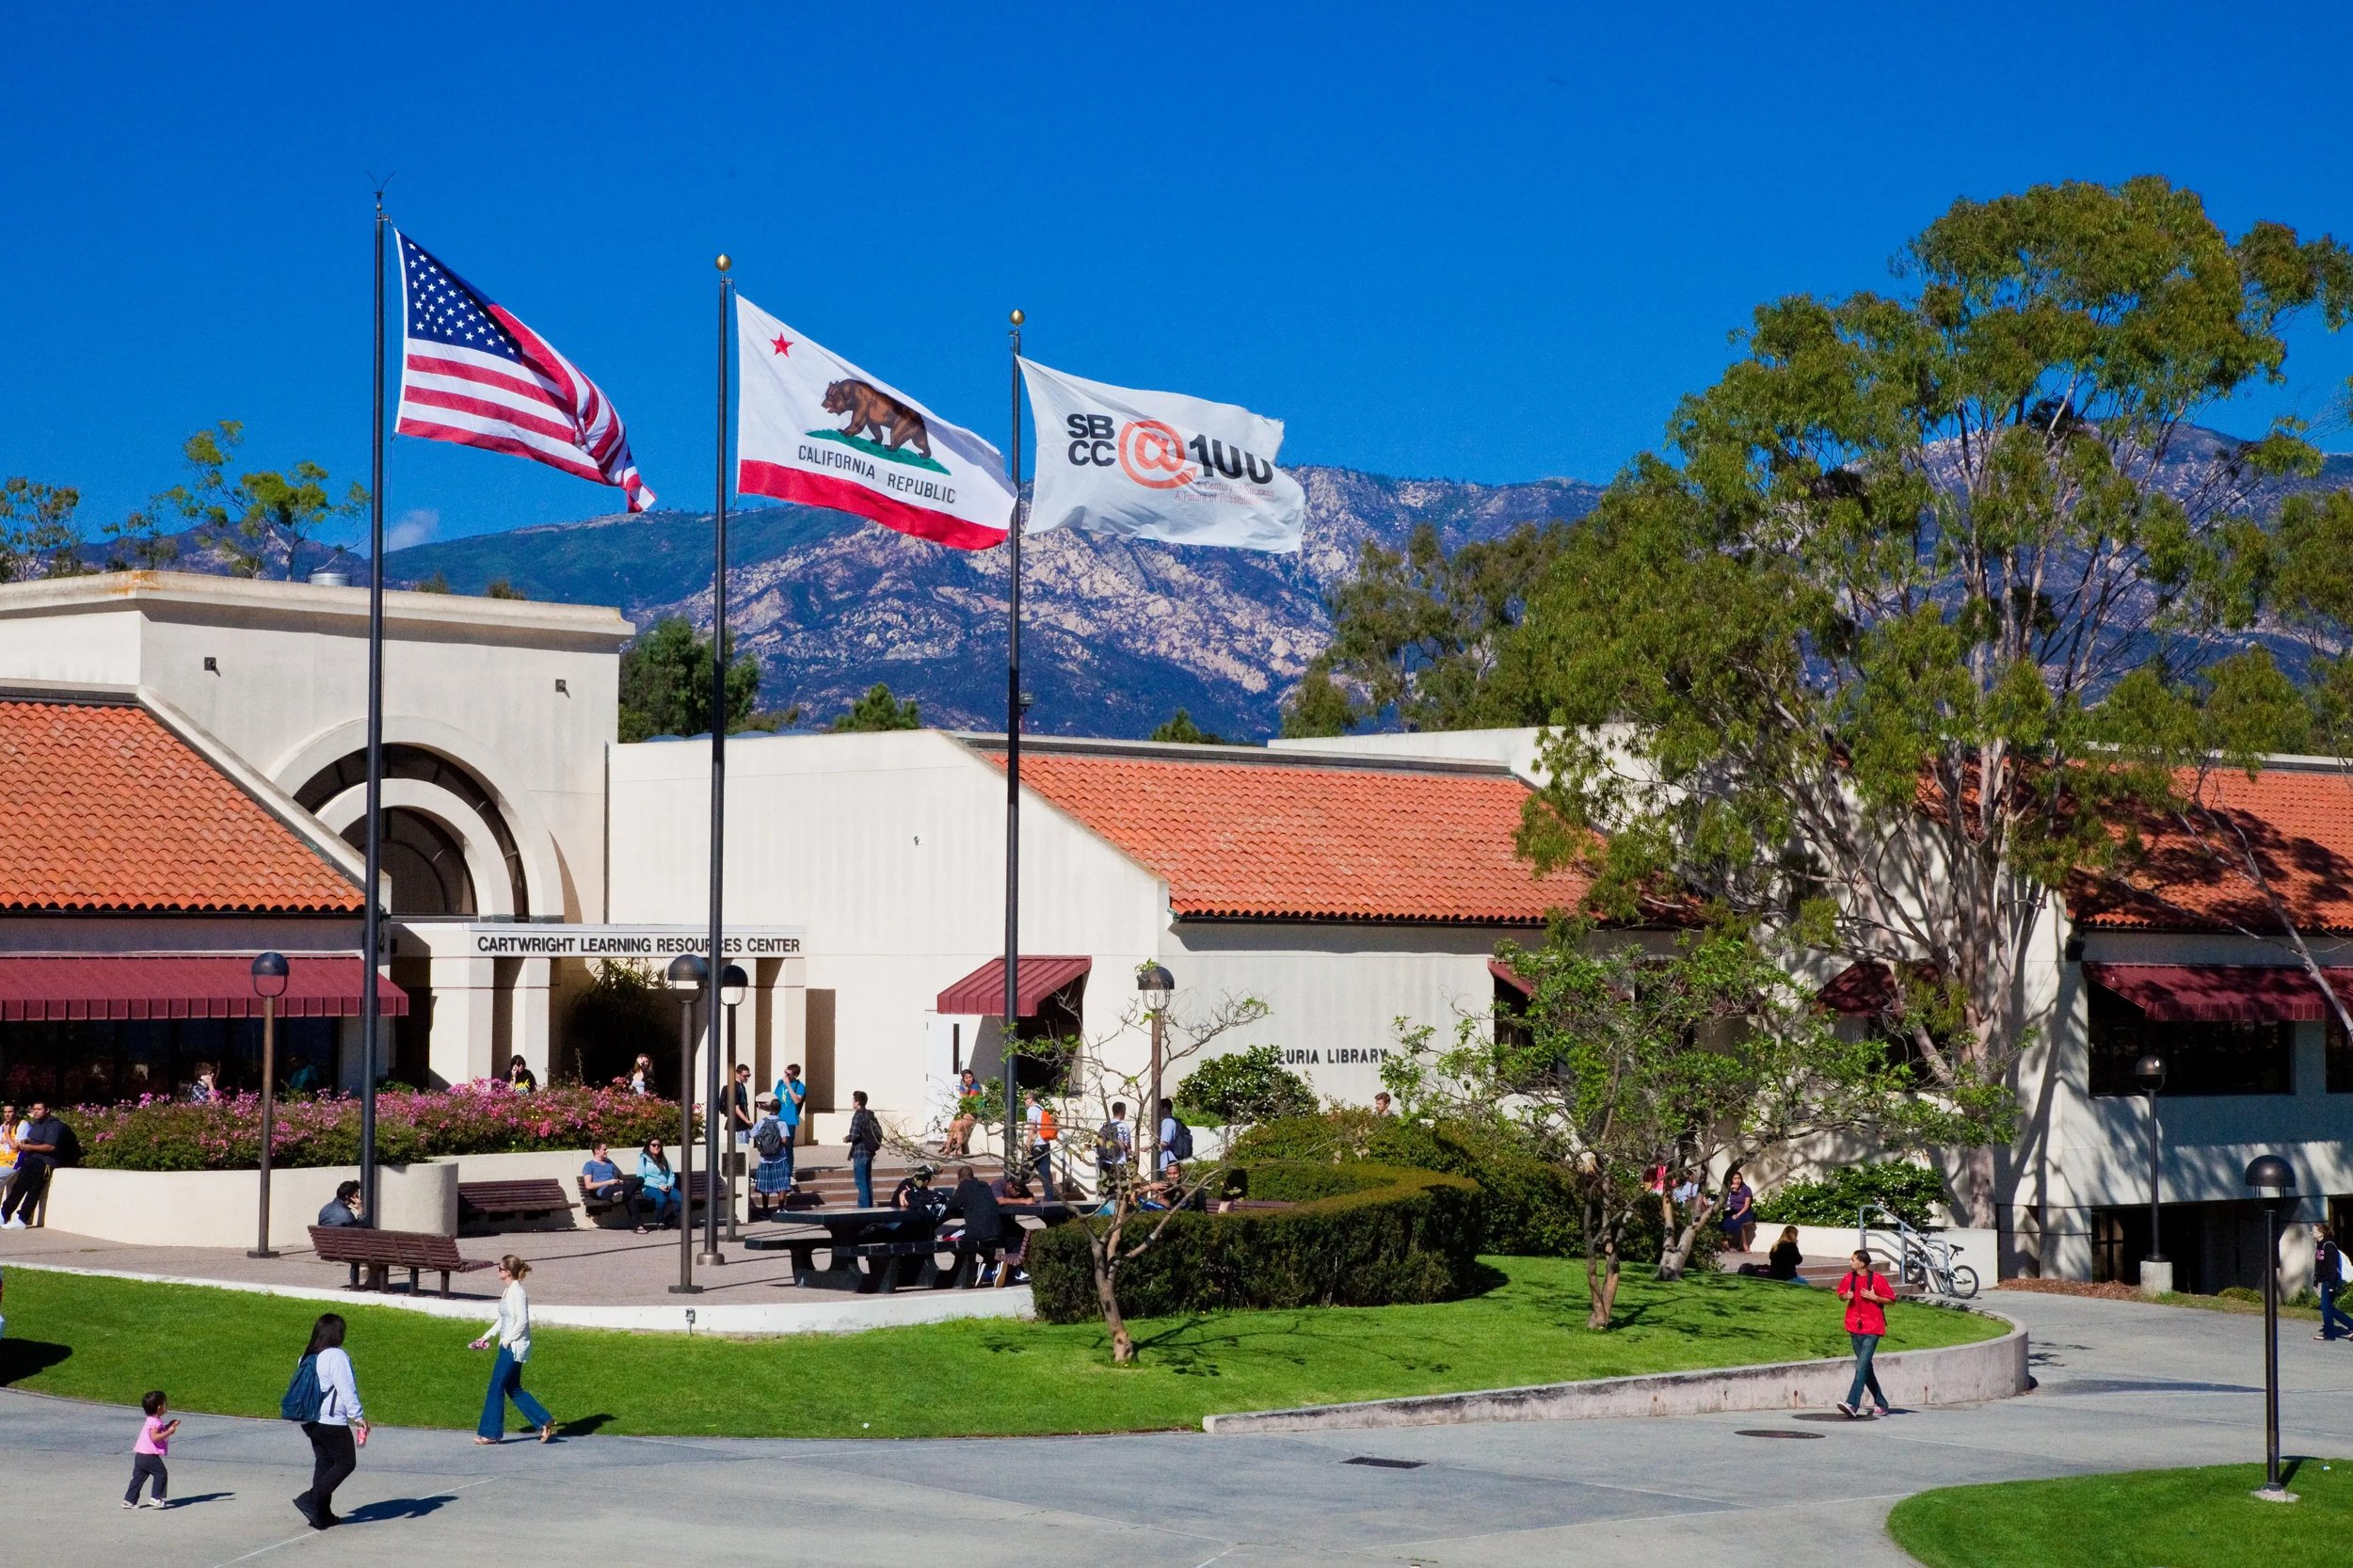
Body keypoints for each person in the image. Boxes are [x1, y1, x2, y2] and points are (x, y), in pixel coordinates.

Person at [293, 1311, 367, 1530]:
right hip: (331, 1420)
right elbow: (346, 1389)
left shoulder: (307, 1356)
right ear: (338, 1334)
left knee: (324, 1462)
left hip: (310, 1419)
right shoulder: (336, 1356)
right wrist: (359, 1417)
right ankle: (311, 1499)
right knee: (345, 1463)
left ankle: (321, 1514)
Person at [471, 1255, 555, 1445]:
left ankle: (490, 1433)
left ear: (507, 1272)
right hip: (507, 1345)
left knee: (496, 1386)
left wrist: (507, 1341)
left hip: (513, 1347)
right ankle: (544, 1420)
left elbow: (523, 1321)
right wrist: (485, 1337)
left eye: (499, 1268)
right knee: (513, 1388)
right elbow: (503, 1319)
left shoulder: (518, 1292)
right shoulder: (508, 1291)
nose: (497, 1271)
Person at [1835, 1249, 1897, 1418]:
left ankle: (1852, 1404)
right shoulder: (1849, 1278)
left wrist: (1875, 1297)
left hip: (1872, 1328)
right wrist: (1844, 1296)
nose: (1850, 1262)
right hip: (1854, 1327)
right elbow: (1840, 1294)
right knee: (1866, 1368)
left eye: (1853, 1259)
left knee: (1861, 1366)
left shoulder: (1876, 1279)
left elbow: (1891, 1300)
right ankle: (1881, 1403)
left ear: (1862, 1263)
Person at [1, 1100, 67, 1228]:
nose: (35, 1112)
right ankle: (4, 1214)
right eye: (34, 1109)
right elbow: (34, 1139)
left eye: (39, 1109)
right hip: (32, 1158)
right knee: (19, 1186)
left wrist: (29, 1146)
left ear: (47, 1110)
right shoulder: (37, 1124)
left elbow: (50, 1147)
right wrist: (27, 1141)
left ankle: (21, 1219)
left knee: (34, 1189)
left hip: (46, 1161)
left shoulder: (54, 1125)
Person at [123, 1389, 178, 1510]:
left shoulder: (152, 1420)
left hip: (140, 1455)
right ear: (159, 1407)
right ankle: (156, 1498)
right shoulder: (155, 1422)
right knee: (161, 1474)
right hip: (149, 1456)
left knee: (138, 1477)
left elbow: (158, 1430)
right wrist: (169, 1432)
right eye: (165, 1403)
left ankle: (129, 1500)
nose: (166, 1405)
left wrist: (169, 1425)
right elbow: (154, 1437)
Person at [581, 1144, 644, 1232]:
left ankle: (620, 1195)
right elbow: (588, 1185)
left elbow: (615, 1178)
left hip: (616, 1187)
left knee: (640, 1179)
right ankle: (638, 1225)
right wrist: (608, 1182)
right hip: (604, 1190)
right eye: (604, 1149)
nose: (607, 1151)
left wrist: (619, 1181)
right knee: (630, 1195)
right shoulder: (589, 1165)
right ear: (596, 1150)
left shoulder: (610, 1164)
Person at [748, 1096, 792, 1221]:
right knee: (782, 1184)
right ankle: (780, 1207)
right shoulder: (782, 1123)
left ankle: (765, 1210)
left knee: (765, 1186)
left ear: (769, 1109)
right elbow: (784, 1140)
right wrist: (777, 1146)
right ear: (780, 1109)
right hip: (780, 1158)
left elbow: (752, 1134)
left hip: (764, 1159)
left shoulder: (762, 1121)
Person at [845, 1091, 882, 1208]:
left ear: (858, 1102)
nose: (852, 1102)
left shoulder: (858, 1115)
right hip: (869, 1152)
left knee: (861, 1182)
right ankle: (869, 1208)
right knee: (867, 1182)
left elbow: (854, 1134)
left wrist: (847, 1138)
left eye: (853, 1100)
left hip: (860, 1152)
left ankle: (863, 1210)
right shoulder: (869, 1114)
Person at [2316, 1223, 2351, 1341]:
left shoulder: (2328, 1245)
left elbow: (2332, 1267)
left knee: (2326, 1308)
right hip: (2325, 1280)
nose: (2312, 1233)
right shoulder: (2319, 1244)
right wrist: (2316, 1280)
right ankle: (2335, 1330)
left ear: (2320, 1233)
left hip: (2331, 1281)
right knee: (2327, 1308)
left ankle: (2330, 1334)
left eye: (2313, 1231)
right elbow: (2319, 1265)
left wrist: (2331, 1285)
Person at [637, 1139, 681, 1229]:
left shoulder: (664, 1160)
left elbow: (671, 1175)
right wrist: (658, 1186)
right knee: (661, 1199)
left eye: (658, 1145)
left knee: (682, 1199)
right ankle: (659, 1221)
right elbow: (640, 1177)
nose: (656, 1147)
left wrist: (669, 1184)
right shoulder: (644, 1159)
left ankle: (668, 1220)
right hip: (650, 1187)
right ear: (648, 1146)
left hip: (666, 1186)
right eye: (653, 1145)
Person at [1024, 1091, 1059, 1199]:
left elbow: (1033, 1127)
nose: (1024, 1101)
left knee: (1025, 1170)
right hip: (1045, 1144)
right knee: (1045, 1173)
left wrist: (1028, 1143)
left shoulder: (1032, 1109)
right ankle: (1050, 1198)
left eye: (1025, 1099)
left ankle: (1017, 1193)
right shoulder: (1041, 1109)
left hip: (1037, 1145)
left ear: (1030, 1099)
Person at [943, 1068, 982, 1158]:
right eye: (966, 1078)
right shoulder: (964, 1087)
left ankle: (959, 1150)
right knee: (952, 1124)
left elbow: (969, 1102)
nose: (969, 1079)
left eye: (970, 1077)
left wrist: (965, 1092)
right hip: (966, 1112)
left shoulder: (976, 1086)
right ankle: (947, 1147)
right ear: (963, 1080)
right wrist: (964, 1091)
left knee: (959, 1126)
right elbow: (964, 1102)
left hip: (973, 1113)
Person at [1096, 1101, 1133, 1183]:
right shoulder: (1123, 1126)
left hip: (1105, 1162)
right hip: (1119, 1163)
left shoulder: (1106, 1125)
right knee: (1120, 1189)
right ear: (1122, 1111)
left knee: (1106, 1190)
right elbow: (1127, 1145)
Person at [1720, 1173, 1756, 1253]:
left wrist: (1738, 1214)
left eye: (1739, 1178)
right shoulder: (1730, 1190)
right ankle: (1727, 1242)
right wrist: (1729, 1189)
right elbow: (1725, 1202)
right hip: (1733, 1212)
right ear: (1732, 1180)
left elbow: (1746, 1205)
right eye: (1735, 1178)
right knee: (1725, 1222)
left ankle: (1744, 1245)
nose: (1737, 1180)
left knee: (1739, 1222)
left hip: (1745, 1212)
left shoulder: (1746, 1189)